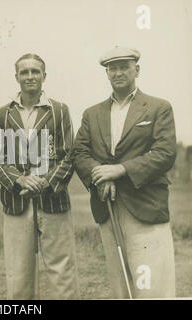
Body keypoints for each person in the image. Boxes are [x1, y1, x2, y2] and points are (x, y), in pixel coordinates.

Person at [71, 46, 177, 298]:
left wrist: (120, 171)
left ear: (136, 70)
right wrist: (99, 174)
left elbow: (165, 153)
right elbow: (79, 153)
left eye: (124, 67)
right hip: (108, 205)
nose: (118, 72)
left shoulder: (158, 107)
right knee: (121, 285)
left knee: (152, 285)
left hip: (145, 205)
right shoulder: (92, 113)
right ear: (107, 74)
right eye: (112, 68)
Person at [0, 53, 80, 299]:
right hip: (17, 201)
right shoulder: (2, 113)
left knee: (62, 271)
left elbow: (68, 154)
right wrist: (20, 180)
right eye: (24, 72)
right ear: (17, 76)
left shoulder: (59, 110)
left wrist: (45, 183)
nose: (30, 76)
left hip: (53, 200)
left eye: (35, 71)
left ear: (44, 76)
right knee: (18, 275)